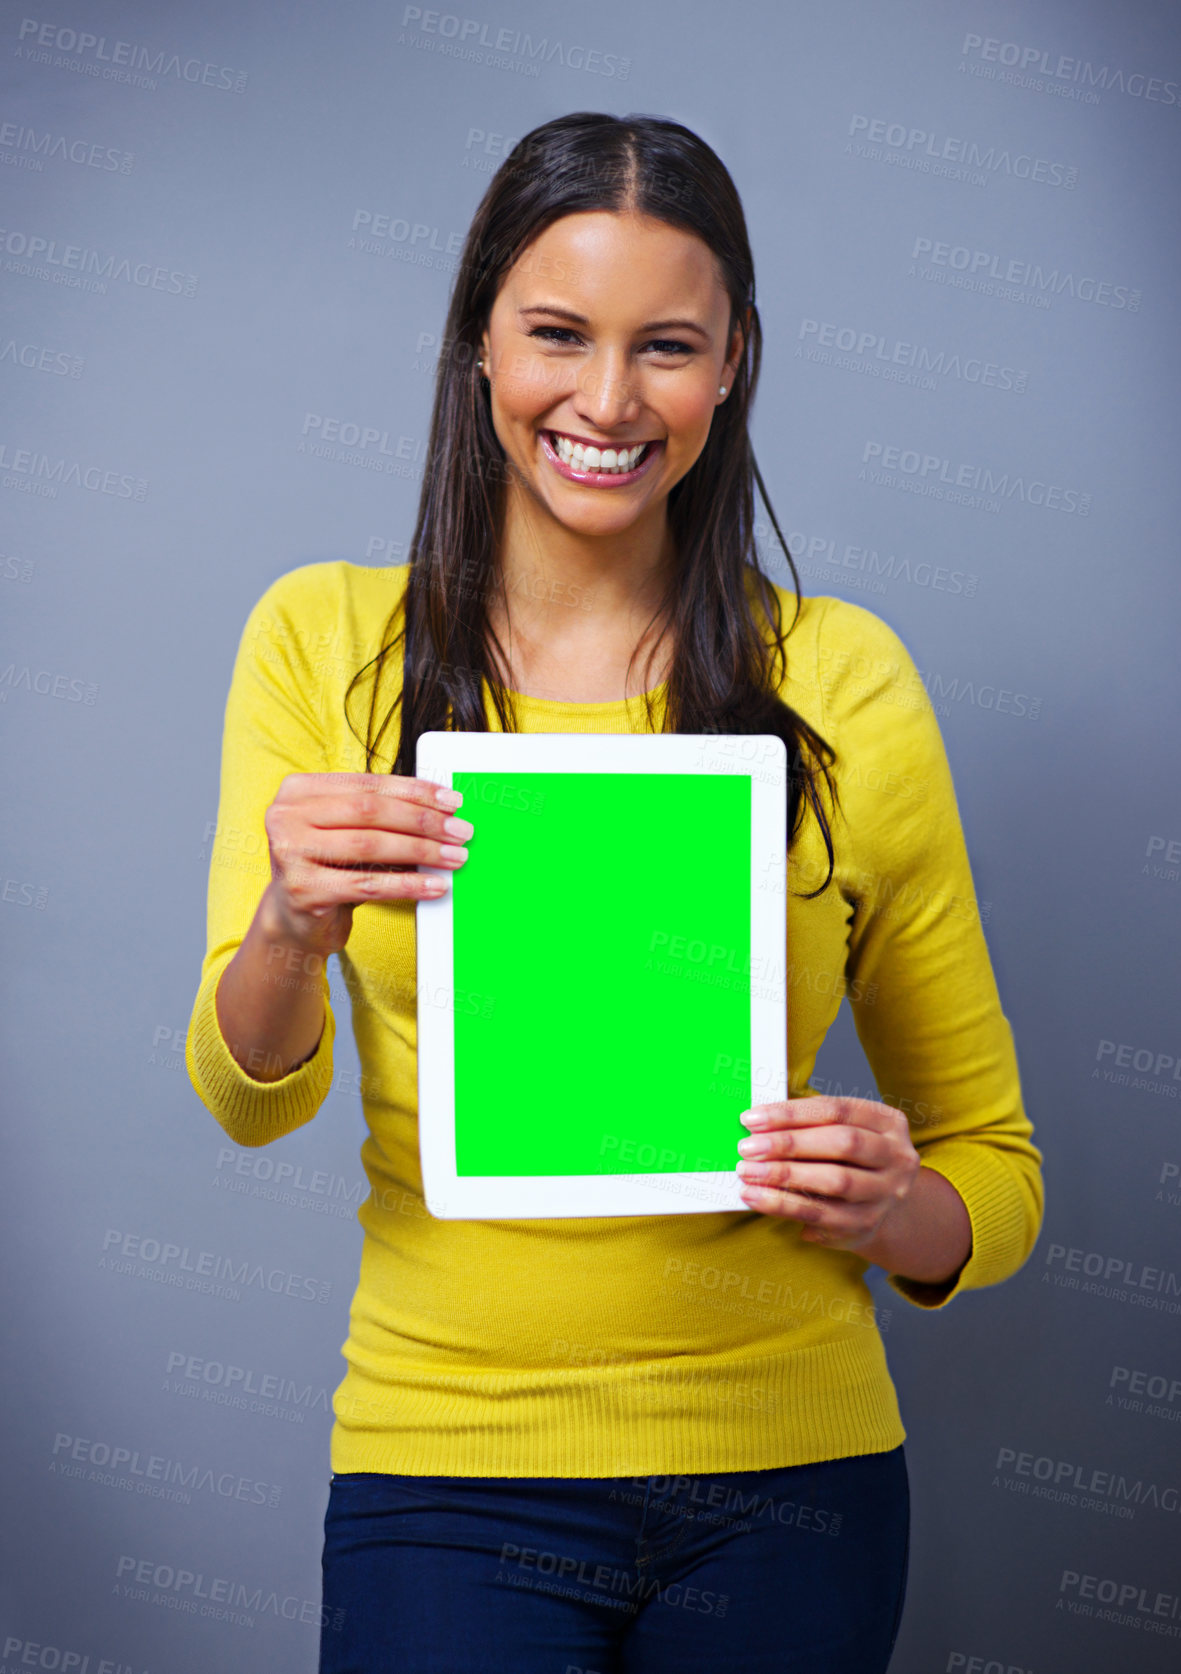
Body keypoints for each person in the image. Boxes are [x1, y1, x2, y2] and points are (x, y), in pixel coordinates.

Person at [186, 112, 1044, 1674]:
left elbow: (993, 1170)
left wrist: (896, 1208)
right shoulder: (322, 644)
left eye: (665, 345)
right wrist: (284, 925)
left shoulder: (843, 680)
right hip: (444, 1465)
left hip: (793, 1480)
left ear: (731, 366)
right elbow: (247, 1098)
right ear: (476, 348)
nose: (603, 399)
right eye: (556, 335)